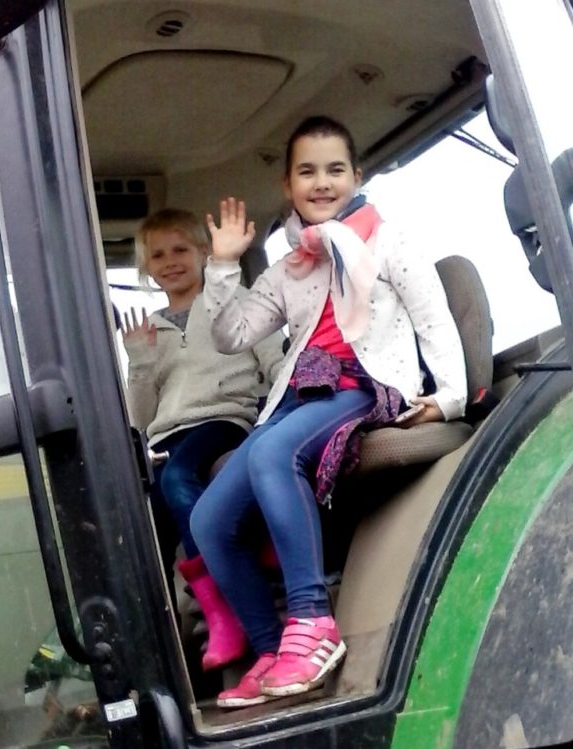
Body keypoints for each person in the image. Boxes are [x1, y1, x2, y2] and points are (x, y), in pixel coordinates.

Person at [190, 116, 467, 707]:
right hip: (299, 395)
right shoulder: (288, 268)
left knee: (271, 453)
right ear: (288, 185)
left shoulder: (386, 242)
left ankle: (312, 621)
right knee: (208, 520)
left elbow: (433, 316)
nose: (322, 182)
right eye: (307, 172)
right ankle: (272, 651)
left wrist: (448, 397)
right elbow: (231, 335)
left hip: (365, 384)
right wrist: (222, 268)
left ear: (356, 176)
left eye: (335, 170)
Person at [122, 208, 283, 672]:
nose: (170, 261)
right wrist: (140, 364)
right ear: (147, 267)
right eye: (158, 255)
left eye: (180, 249)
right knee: (144, 517)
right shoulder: (149, 330)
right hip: (167, 434)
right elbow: (141, 418)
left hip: (224, 419)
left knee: (178, 479)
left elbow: (276, 361)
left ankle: (225, 610)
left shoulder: (234, 299)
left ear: (203, 253)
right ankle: (162, 656)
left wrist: (285, 411)